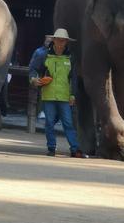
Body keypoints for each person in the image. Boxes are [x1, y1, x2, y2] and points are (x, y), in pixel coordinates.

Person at [29, 28, 87, 158]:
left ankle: (74, 149)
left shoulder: (71, 57)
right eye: (58, 40)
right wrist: (34, 79)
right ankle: (51, 148)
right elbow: (33, 69)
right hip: (48, 95)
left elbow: (73, 78)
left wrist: (73, 95)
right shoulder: (43, 55)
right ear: (54, 40)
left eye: (63, 41)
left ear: (66, 42)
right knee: (49, 123)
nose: (61, 43)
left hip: (64, 97)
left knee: (68, 123)